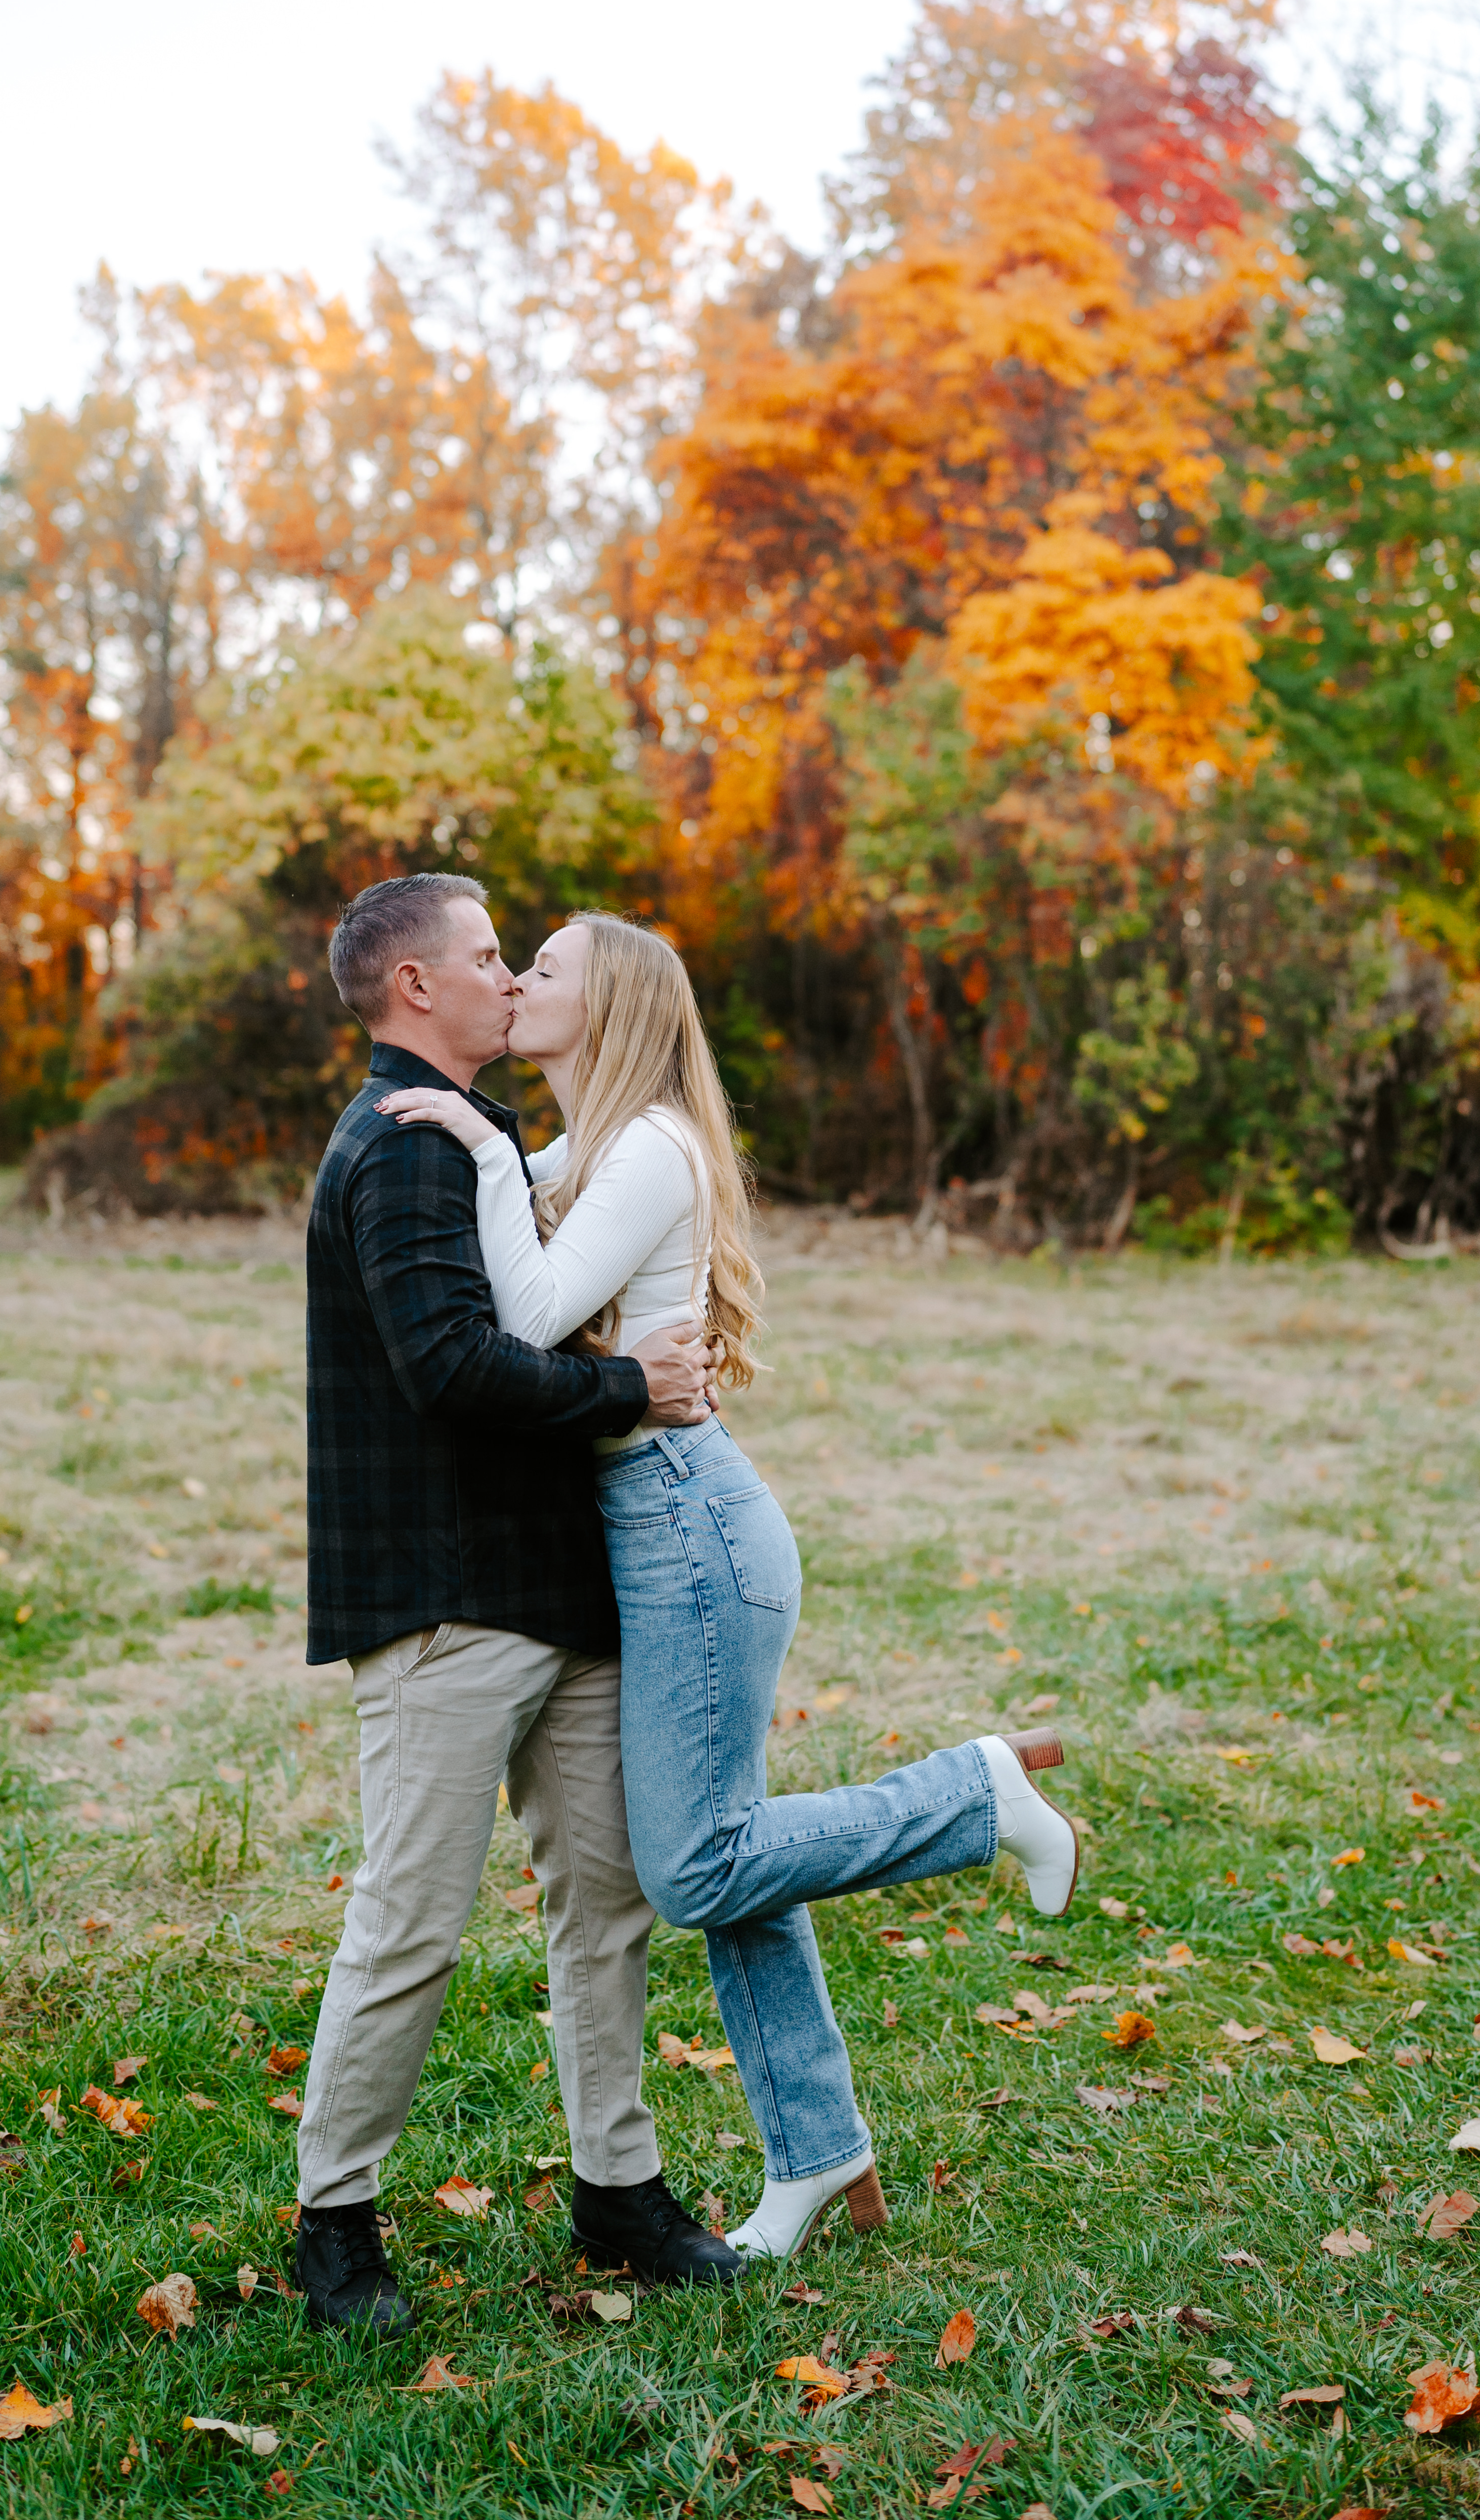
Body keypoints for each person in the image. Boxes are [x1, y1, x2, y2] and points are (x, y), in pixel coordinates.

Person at [377, 909, 1078, 2262]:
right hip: (660, 1522)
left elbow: (522, 1318)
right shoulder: (600, 1143)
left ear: (616, 1005)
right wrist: (495, 1154)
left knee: (694, 1867)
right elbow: (519, 1241)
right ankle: (816, 2154)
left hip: (689, 1524)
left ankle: (975, 1794)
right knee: (732, 1848)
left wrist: (472, 1140)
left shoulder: (645, 1148)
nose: (521, 981)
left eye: (549, 969)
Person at [292, 873, 747, 2338]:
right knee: (411, 1920)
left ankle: (620, 2191)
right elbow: (459, 1369)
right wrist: (635, 1388)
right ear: (417, 988)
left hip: (565, 1587)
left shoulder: (486, 1140)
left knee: (603, 1905)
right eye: (489, 957)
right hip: (445, 1598)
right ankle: (335, 2223)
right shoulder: (407, 1148)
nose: (508, 976)